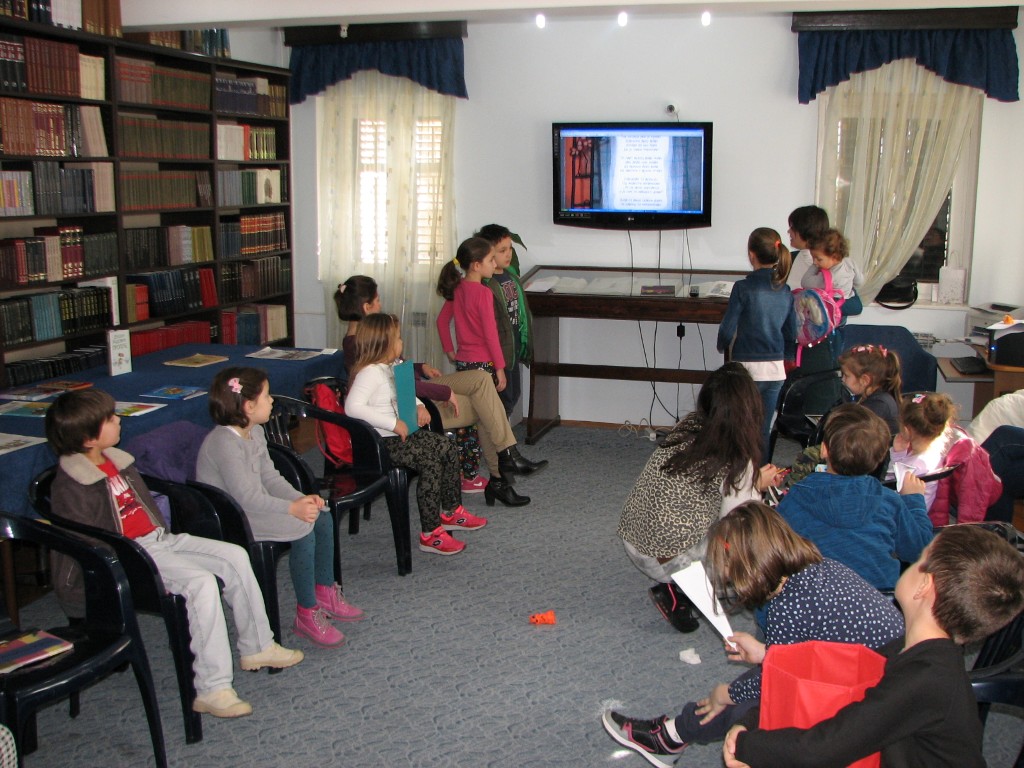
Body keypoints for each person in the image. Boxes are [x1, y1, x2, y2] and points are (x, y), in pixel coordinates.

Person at [46, 389, 304, 720]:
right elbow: (86, 543)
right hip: (131, 558)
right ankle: (212, 688)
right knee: (200, 584)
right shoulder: (72, 484)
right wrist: (141, 551)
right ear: (87, 439)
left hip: (159, 540)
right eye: (110, 419)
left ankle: (258, 646)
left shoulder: (115, 461)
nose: (118, 420)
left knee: (235, 556)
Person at [603, 502, 905, 768]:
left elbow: (775, 678)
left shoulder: (788, 607)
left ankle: (670, 737)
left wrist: (725, 693)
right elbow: (812, 655)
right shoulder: (821, 569)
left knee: (749, 707)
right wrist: (765, 654)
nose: (725, 576)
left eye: (726, 567)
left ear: (746, 568)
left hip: (875, 696)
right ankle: (672, 735)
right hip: (891, 671)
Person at [723, 524, 1024, 768]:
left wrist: (747, 746)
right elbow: (829, 680)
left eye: (921, 559)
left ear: (924, 586)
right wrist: (753, 718)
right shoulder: (909, 648)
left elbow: (821, 750)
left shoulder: (927, 679)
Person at [335, 275, 544, 507]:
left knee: (482, 380)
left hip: (417, 391)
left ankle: (505, 461)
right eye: (377, 300)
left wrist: (420, 367)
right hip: (411, 403)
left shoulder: (370, 337)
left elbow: (397, 370)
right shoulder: (360, 345)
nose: (381, 304)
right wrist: (442, 392)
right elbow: (399, 385)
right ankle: (502, 472)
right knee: (485, 404)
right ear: (366, 307)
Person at [197, 367, 363, 649]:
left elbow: (271, 478)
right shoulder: (224, 443)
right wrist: (291, 510)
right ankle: (306, 613)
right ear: (249, 406)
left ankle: (324, 591)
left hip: (254, 506)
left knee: (321, 515)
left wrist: (301, 499)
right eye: (267, 396)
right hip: (234, 517)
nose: (272, 400)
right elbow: (246, 497)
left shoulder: (255, 432)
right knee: (302, 525)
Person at [618, 363, 782, 633]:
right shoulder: (737, 458)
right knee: (757, 566)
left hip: (634, 538)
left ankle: (681, 583)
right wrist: (756, 486)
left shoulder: (688, 424)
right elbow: (740, 522)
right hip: (666, 560)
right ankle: (680, 592)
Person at [346, 312, 487, 554]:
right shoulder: (369, 373)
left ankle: (451, 510)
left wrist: (419, 406)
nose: (401, 342)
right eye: (398, 338)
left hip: (402, 435)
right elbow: (352, 407)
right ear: (383, 343)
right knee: (430, 461)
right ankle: (431, 533)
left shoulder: (391, 367)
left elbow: (404, 392)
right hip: (383, 443)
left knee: (447, 446)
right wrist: (392, 423)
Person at [777, 404, 932, 589]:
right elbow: (919, 551)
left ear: (824, 450)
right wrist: (914, 501)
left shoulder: (796, 497)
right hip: (879, 601)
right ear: (879, 458)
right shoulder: (889, 501)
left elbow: (775, 553)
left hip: (819, 601)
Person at [716, 227, 797, 462]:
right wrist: (787, 359)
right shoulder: (785, 290)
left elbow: (728, 328)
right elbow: (791, 332)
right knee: (763, 429)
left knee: (740, 427)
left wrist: (722, 344)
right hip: (775, 371)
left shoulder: (743, 288)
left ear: (752, 255)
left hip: (747, 369)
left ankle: (739, 473)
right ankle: (761, 475)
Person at [890, 392, 1002, 525]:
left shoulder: (918, 465)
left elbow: (891, 488)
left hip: (905, 522)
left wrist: (897, 457)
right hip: (907, 515)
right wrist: (899, 454)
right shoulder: (933, 453)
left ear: (907, 430)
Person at [475, 224, 535, 420]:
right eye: (502, 250)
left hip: (514, 345)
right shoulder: (486, 283)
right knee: (502, 394)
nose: (508, 254)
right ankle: (500, 435)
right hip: (498, 349)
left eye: (510, 248)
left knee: (514, 392)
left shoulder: (511, 276)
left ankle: (502, 431)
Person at [435, 236, 507, 394]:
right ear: (476, 265)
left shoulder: (457, 288)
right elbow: (490, 334)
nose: (495, 264)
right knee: (486, 406)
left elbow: (441, 321)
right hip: (483, 364)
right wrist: (500, 367)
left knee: (469, 404)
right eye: (491, 260)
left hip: (463, 362)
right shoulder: (484, 293)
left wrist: (450, 351)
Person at [837, 344, 903, 435]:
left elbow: (854, 434)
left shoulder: (878, 404)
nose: (843, 379)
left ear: (865, 380)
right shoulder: (873, 398)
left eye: (846, 375)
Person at [786, 205, 830, 289]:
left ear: (806, 230)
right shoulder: (792, 257)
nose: (788, 231)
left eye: (792, 228)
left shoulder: (830, 265)